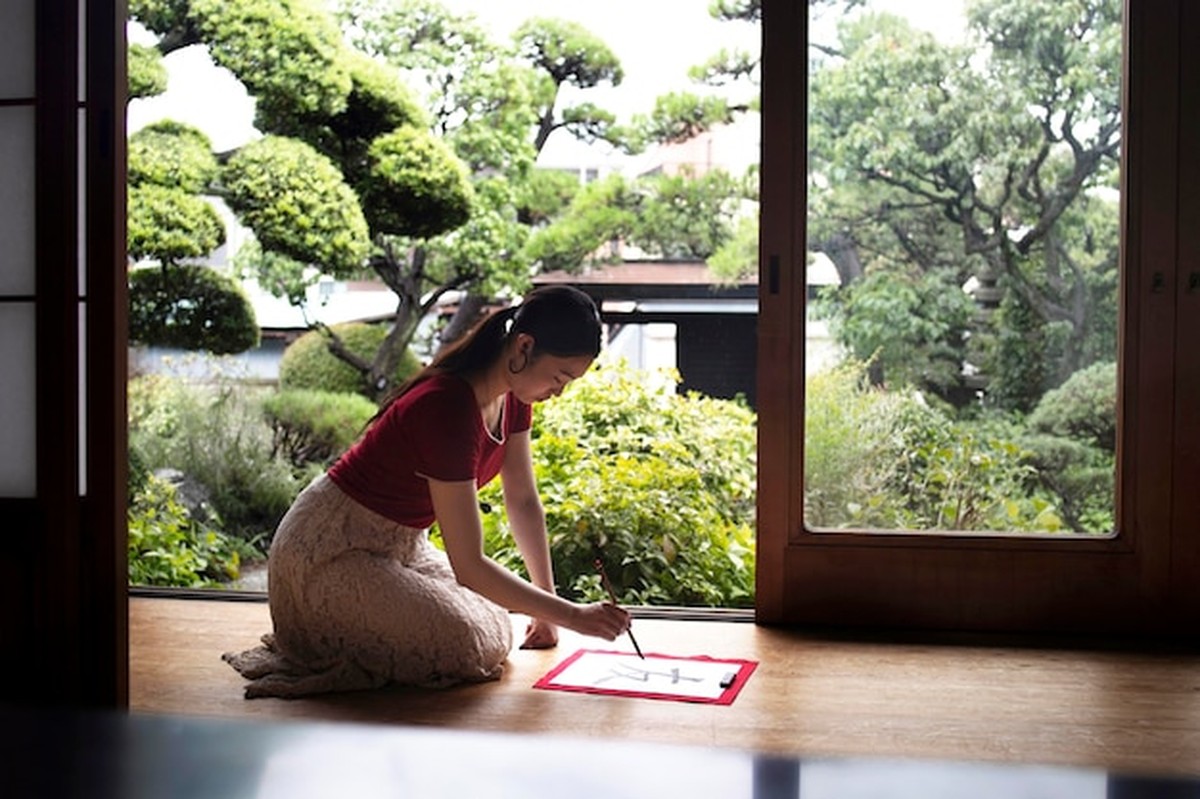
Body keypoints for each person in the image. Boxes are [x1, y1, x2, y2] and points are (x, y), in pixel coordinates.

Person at [223, 285, 632, 698]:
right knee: (467, 642)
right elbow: (469, 566)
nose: (559, 391)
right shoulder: (448, 408)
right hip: (330, 550)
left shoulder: (514, 398)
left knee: (495, 623)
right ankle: (313, 627)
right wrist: (576, 615)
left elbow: (522, 501)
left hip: (400, 546)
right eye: (560, 377)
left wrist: (550, 609)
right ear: (524, 346)